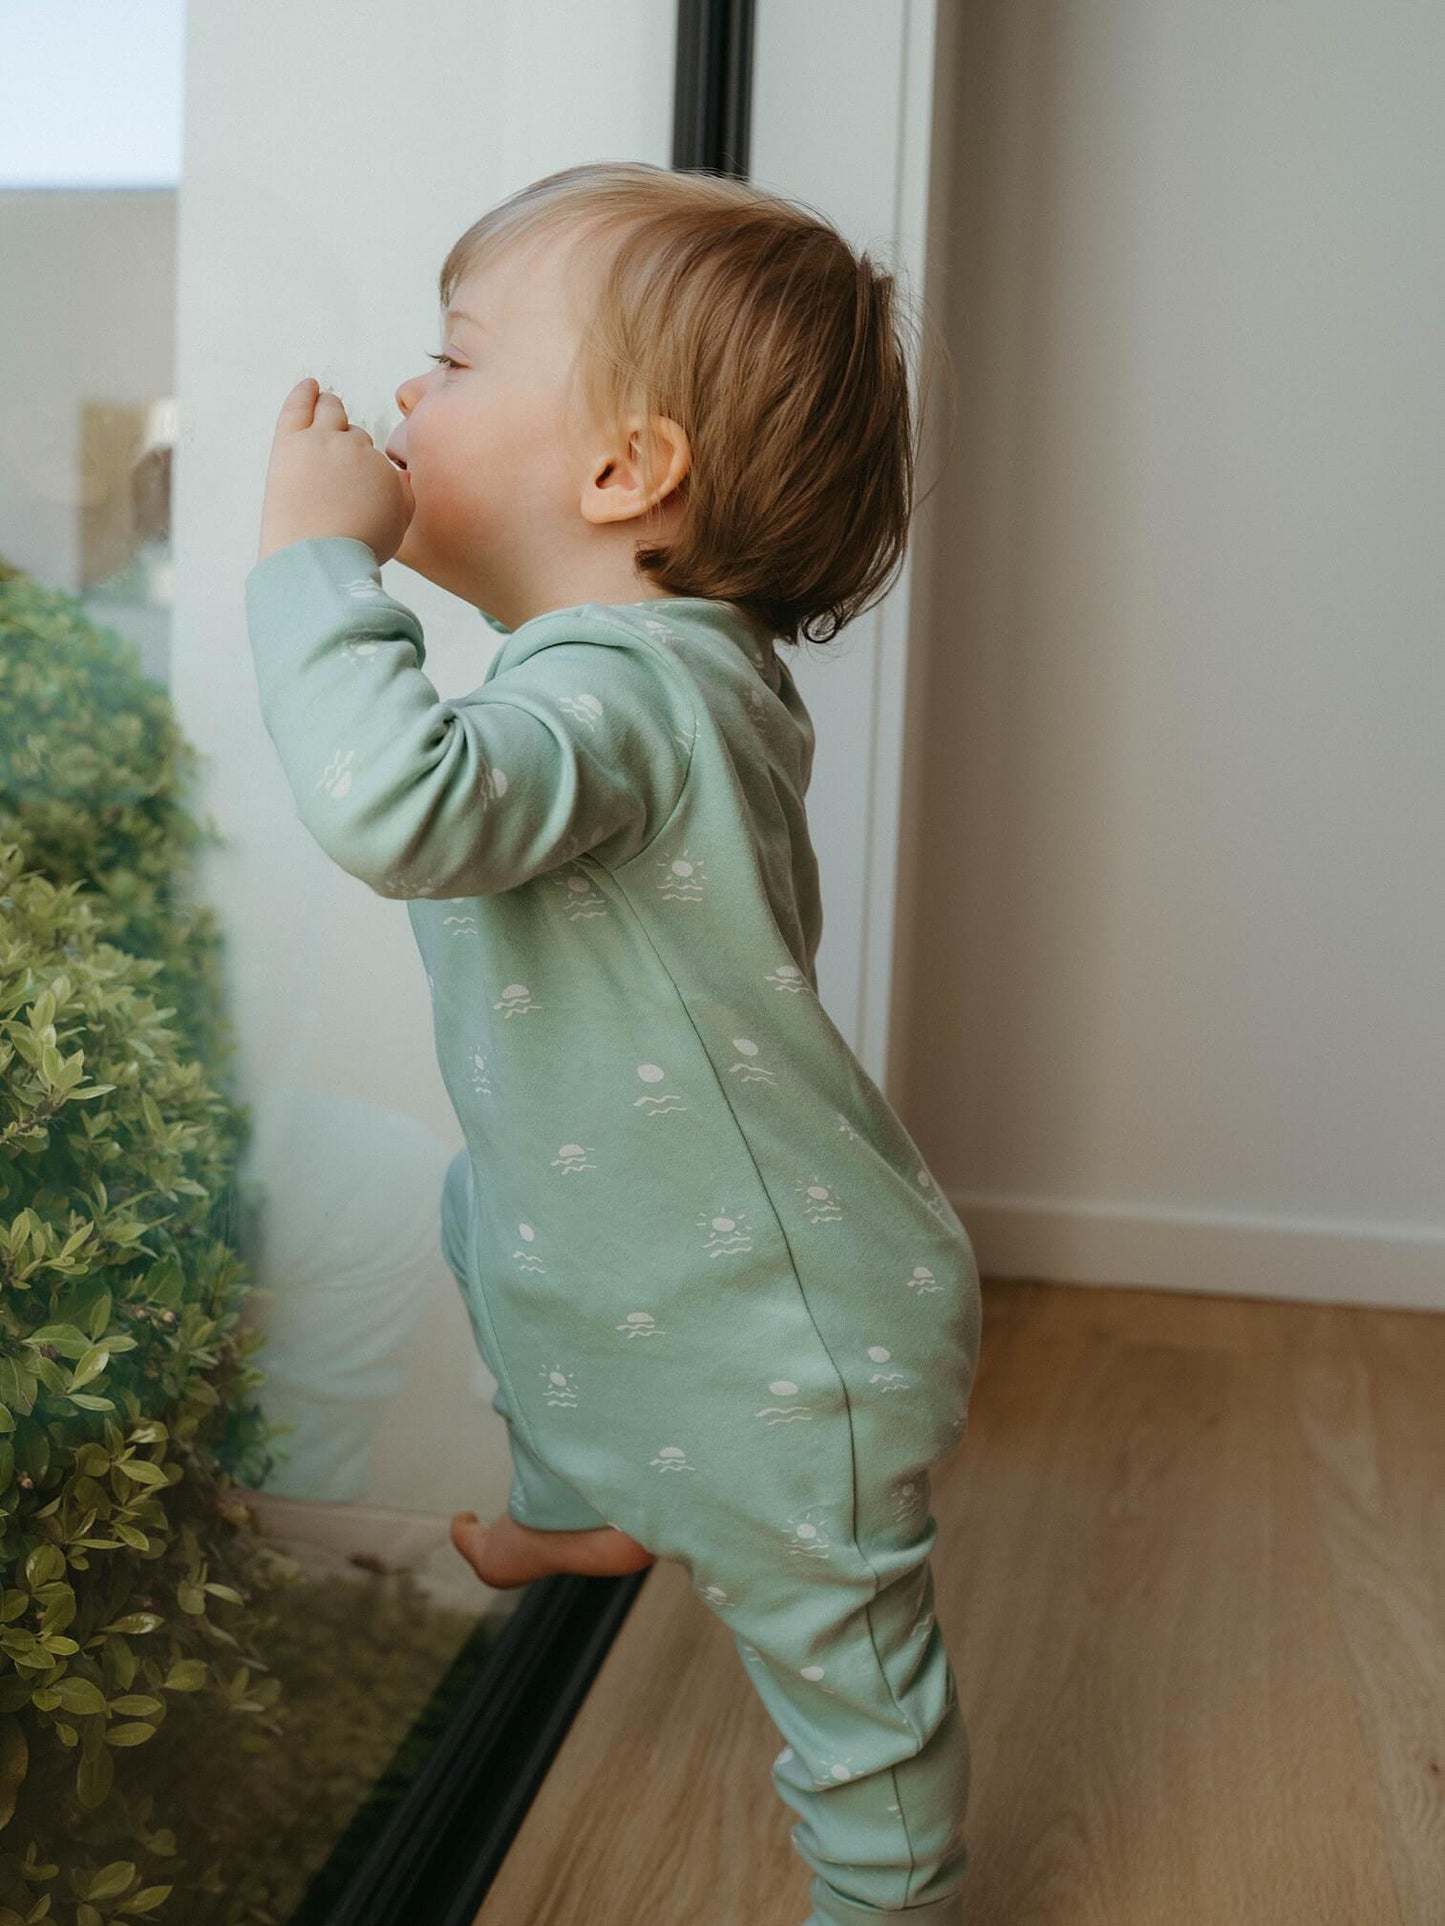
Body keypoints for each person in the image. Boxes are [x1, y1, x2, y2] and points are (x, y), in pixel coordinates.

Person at [245, 160, 982, 1926]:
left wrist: (306, 561)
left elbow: (395, 807)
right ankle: (586, 1494)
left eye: (457, 356)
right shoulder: (659, 666)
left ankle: (893, 1896)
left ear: (622, 471)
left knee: (853, 1695)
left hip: (788, 1345)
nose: (410, 392)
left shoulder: (624, 691)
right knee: (496, 1228)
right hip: (672, 1264)